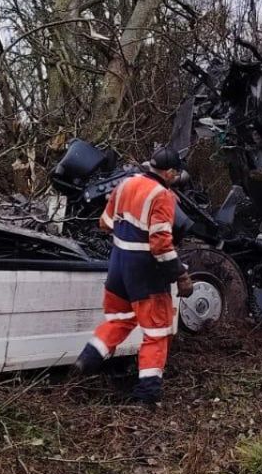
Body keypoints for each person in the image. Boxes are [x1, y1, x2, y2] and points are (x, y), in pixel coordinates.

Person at [71, 147, 194, 405]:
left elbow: (104, 223)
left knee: (119, 320)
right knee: (157, 333)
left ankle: (87, 360)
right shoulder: (162, 196)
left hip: (117, 266)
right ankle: (146, 395)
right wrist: (180, 274)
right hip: (144, 272)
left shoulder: (126, 184)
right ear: (169, 172)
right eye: (176, 173)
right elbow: (160, 245)